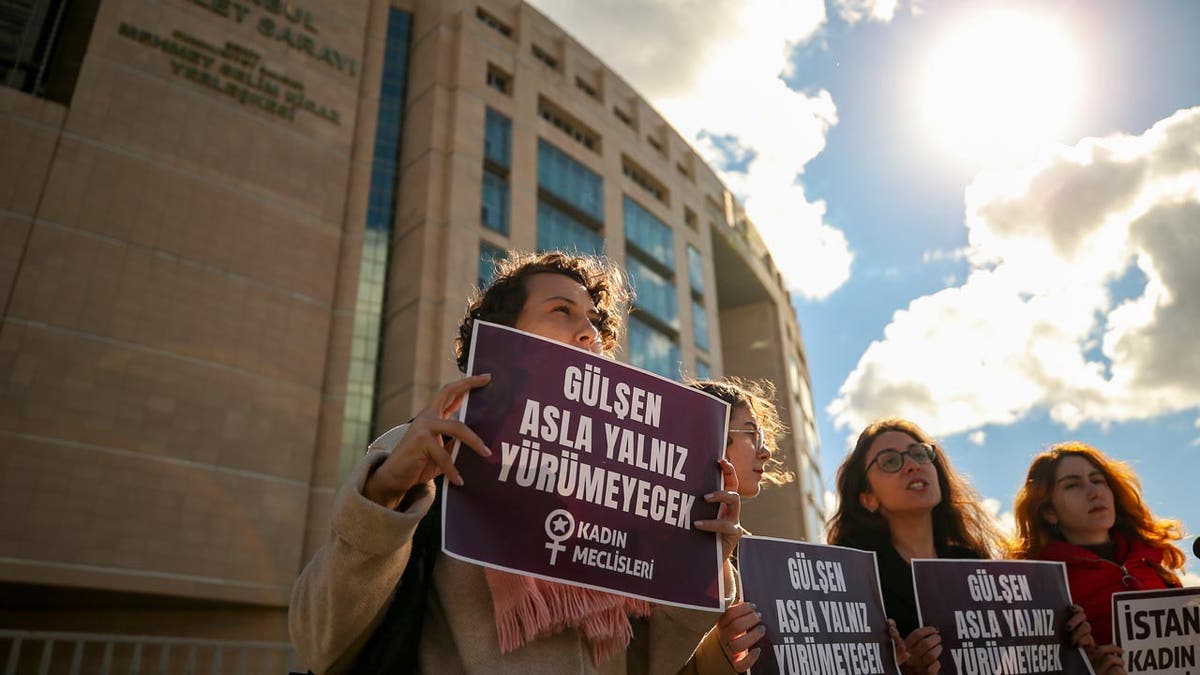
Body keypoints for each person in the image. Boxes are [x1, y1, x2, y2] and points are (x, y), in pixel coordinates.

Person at [289, 250, 744, 675]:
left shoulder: (625, 487)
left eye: (595, 321)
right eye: (561, 311)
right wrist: (387, 491)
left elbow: (647, 663)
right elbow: (319, 640)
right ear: (505, 337)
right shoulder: (429, 449)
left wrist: (701, 560)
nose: (590, 333)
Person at [826, 418, 1098, 674]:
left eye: (919, 454)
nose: (911, 465)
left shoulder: (974, 564)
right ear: (868, 499)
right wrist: (901, 669)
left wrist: (1066, 643)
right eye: (890, 461)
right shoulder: (855, 583)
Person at [1009, 441, 1185, 673]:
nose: (1094, 492)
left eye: (1098, 480)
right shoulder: (1042, 586)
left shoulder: (1152, 561)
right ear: (1049, 512)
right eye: (1072, 485)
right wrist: (1085, 669)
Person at [679, 378, 792, 674]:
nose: (766, 452)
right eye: (752, 434)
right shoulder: (646, 534)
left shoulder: (753, 556)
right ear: (710, 436)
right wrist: (717, 652)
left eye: (764, 437)